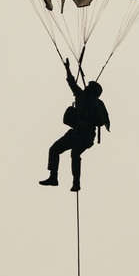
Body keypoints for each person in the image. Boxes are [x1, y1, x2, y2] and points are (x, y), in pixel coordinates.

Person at [39, 59, 110, 192]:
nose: (86, 87)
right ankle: (73, 182)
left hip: (79, 133)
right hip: (86, 135)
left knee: (57, 150)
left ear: (91, 90)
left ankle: (55, 177)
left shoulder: (82, 96)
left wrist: (67, 69)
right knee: (73, 154)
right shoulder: (96, 104)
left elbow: (71, 83)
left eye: (88, 86)